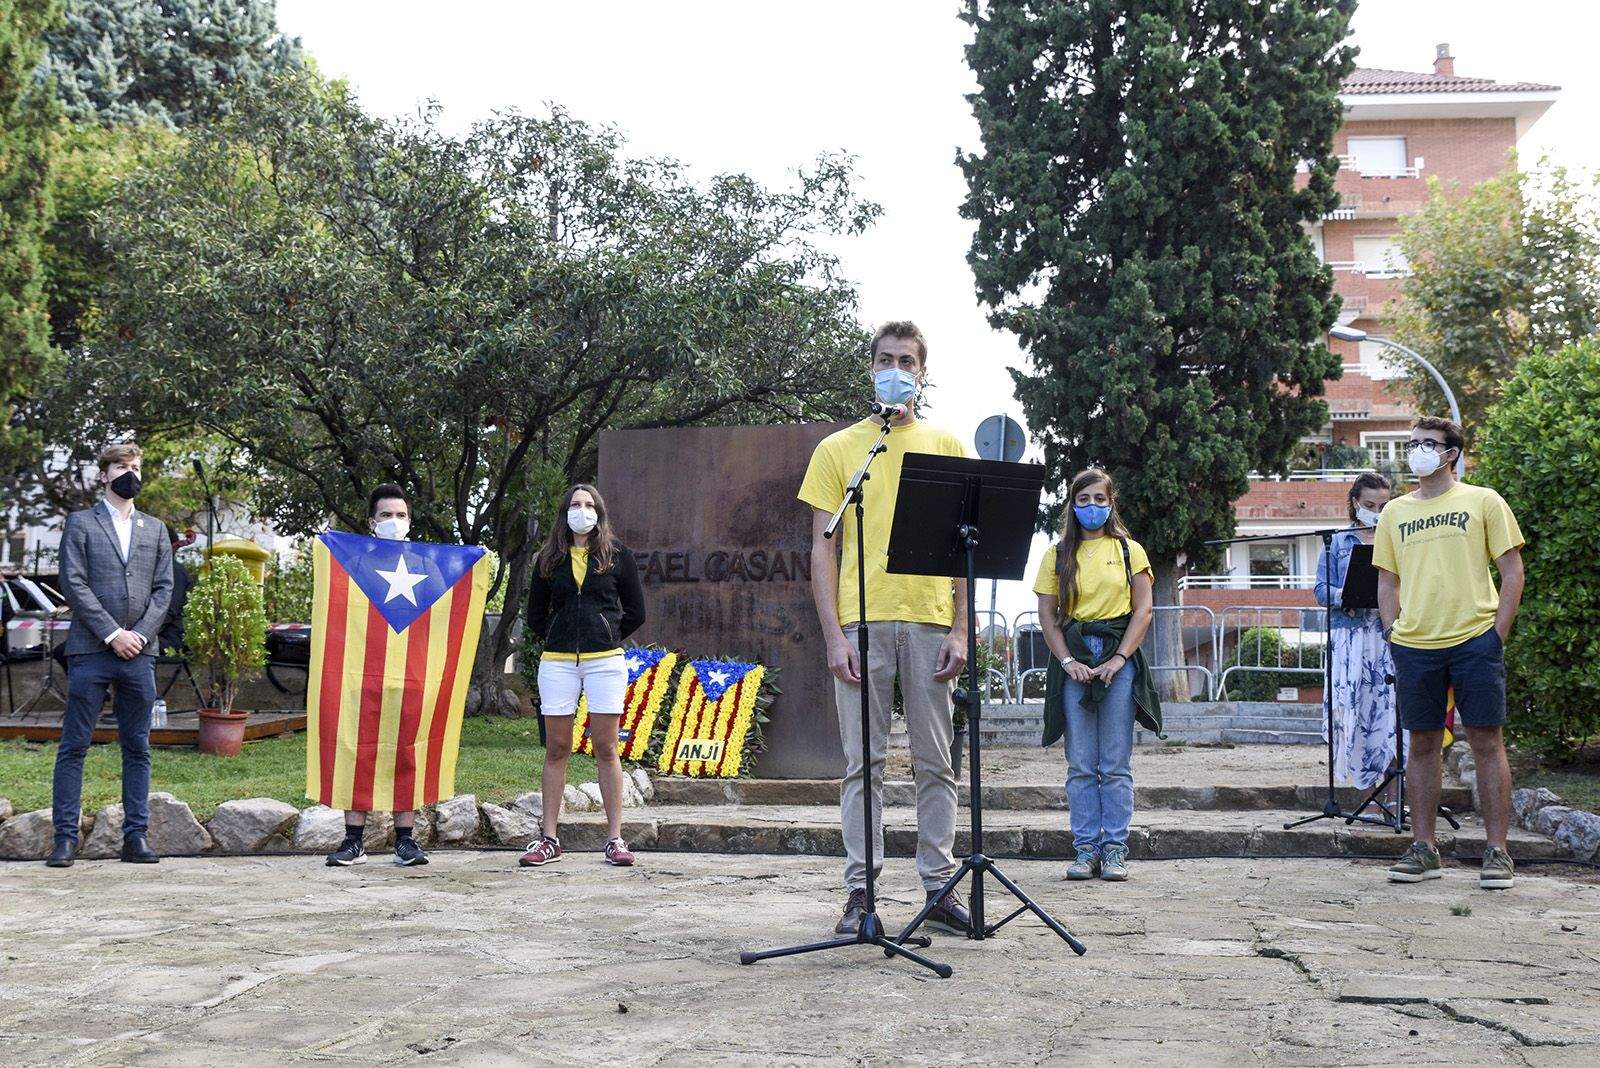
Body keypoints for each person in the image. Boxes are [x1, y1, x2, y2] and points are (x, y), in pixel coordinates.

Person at [797, 320, 971, 936]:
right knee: (860, 764)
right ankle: (860, 894)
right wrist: (832, 635)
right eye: (885, 359)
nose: (895, 368)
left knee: (936, 761)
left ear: (923, 373)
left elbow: (963, 548)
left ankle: (939, 886)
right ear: (871, 369)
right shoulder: (839, 449)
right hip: (860, 622)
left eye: (907, 360)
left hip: (929, 621)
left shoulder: (948, 447)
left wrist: (961, 630)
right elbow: (823, 549)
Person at [1375, 417, 1524, 890]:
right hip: (1415, 644)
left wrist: (1495, 634)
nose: (1416, 450)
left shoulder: (1483, 501)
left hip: (1474, 640)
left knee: (1485, 740)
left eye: (1428, 443)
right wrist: (1391, 631)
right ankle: (1425, 849)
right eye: (1412, 443)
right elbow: (1388, 579)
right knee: (1421, 744)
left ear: (1451, 453)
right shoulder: (1395, 512)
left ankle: (1497, 852)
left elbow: (1512, 571)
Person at [47, 443, 174, 867]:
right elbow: (74, 581)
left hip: (140, 653)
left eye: (136, 467)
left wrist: (137, 635)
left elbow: (164, 588)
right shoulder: (81, 523)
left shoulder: (155, 528)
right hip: (90, 651)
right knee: (74, 745)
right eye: (121, 466)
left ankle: (135, 838)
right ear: (104, 475)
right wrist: (112, 633)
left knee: (137, 746)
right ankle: (65, 839)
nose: (130, 473)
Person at [1035, 469, 1158, 882]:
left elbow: (1142, 610)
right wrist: (1069, 661)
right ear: (1072, 504)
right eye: (1083, 500)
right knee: (1082, 763)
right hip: (1075, 660)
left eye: (1099, 499)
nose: (1092, 507)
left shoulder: (1129, 551)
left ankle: (1115, 850)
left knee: (1116, 762)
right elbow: (1048, 618)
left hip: (1117, 661)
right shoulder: (1056, 556)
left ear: (1111, 503)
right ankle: (1085, 849)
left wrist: (1119, 658)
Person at [519, 484, 646, 869]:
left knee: (606, 748)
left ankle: (614, 839)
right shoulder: (548, 558)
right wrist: (562, 633)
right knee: (557, 748)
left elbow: (636, 611)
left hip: (605, 661)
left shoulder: (618, 555)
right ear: (565, 512)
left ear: (599, 512)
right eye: (576, 504)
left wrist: (602, 634)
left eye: (589, 504)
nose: (582, 510)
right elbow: (535, 615)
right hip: (557, 661)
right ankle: (549, 839)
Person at [325, 485, 433, 867]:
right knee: (358, 748)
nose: (394, 522)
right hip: (363, 667)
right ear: (372, 523)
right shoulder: (354, 562)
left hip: (411, 670)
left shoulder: (424, 563)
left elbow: (445, 604)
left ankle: (406, 839)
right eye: (386, 516)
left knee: (407, 748)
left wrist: (474, 562)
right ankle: (353, 840)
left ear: (410, 522)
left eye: (401, 516)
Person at [1315, 472, 1403, 791]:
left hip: (1387, 636)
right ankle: (1366, 793)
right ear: (1355, 503)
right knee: (1354, 715)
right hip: (1350, 639)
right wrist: (1345, 596)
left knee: (1388, 716)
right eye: (1369, 505)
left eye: (1384, 505)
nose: (1377, 511)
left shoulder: (1396, 538)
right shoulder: (1338, 540)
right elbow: (1320, 589)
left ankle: (1393, 799)